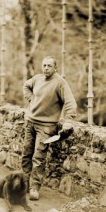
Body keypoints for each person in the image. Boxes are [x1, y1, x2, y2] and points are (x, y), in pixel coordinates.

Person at [21, 56, 77, 200]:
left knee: (38, 157)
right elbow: (26, 86)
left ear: (55, 68)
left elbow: (70, 102)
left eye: (49, 66)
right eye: (44, 65)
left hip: (46, 126)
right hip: (30, 122)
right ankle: (23, 184)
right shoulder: (37, 79)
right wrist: (31, 99)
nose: (46, 68)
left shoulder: (60, 83)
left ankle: (34, 188)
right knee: (26, 154)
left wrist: (68, 120)